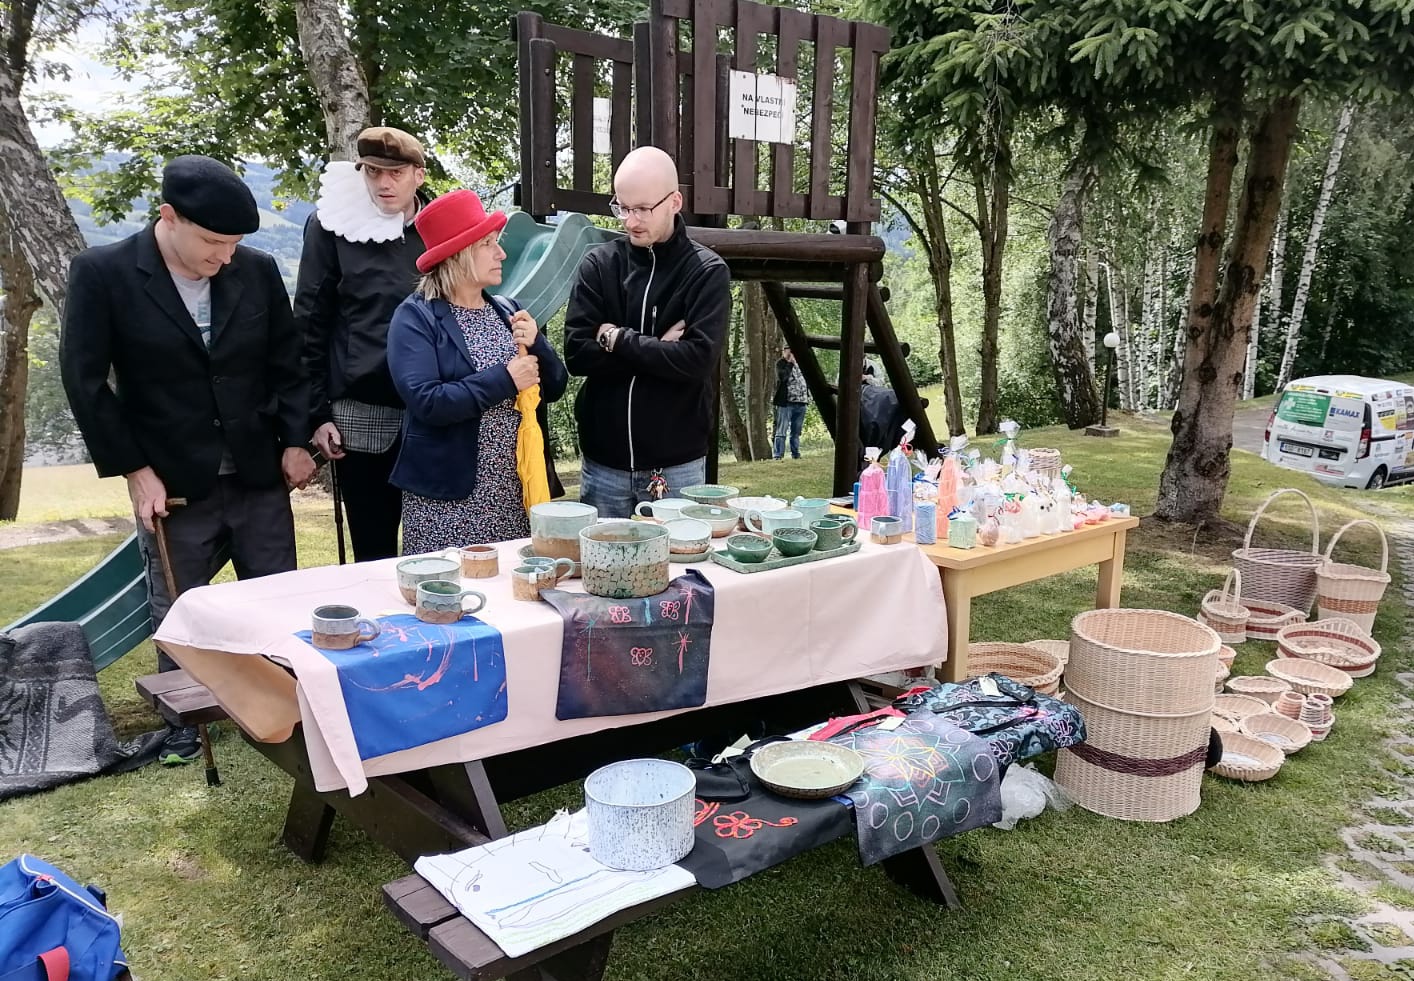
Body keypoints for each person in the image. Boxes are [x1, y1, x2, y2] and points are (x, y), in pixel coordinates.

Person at [60, 155, 314, 764]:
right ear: (169, 217)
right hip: (170, 474)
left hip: (257, 467)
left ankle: (291, 703)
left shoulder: (256, 270)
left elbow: (287, 362)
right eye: (212, 242)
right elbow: (85, 381)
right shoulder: (103, 272)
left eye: (233, 244)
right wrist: (135, 470)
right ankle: (183, 718)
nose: (224, 257)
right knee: (179, 604)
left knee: (277, 594)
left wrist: (295, 440)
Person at [386, 190, 568, 552]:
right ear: (459, 253)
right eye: (488, 244)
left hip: (512, 492)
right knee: (452, 586)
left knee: (513, 583)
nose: (501, 253)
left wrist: (539, 345)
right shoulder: (415, 317)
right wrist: (506, 379)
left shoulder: (506, 309)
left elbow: (554, 386)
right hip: (447, 503)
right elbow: (427, 401)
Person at [563, 146, 730, 518]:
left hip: (678, 466)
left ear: (674, 202)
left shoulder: (706, 272)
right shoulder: (599, 264)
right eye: (622, 207)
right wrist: (658, 350)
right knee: (600, 556)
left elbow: (697, 361)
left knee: (680, 558)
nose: (630, 221)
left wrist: (617, 339)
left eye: (641, 208)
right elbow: (577, 354)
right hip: (603, 465)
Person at [295, 126, 429, 561]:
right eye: (372, 172)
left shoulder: (439, 227)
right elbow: (309, 324)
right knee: (373, 553)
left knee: (437, 550)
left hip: (434, 410)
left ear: (419, 175)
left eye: (395, 173)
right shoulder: (331, 225)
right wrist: (316, 414)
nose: (383, 183)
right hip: (362, 409)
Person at [772, 346, 809, 460]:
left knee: (796, 431)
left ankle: (795, 454)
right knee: (781, 431)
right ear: (784, 352)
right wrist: (790, 363)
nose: (790, 353)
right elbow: (783, 377)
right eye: (788, 350)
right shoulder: (781, 363)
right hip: (787, 403)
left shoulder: (802, 363)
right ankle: (778, 455)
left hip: (801, 402)